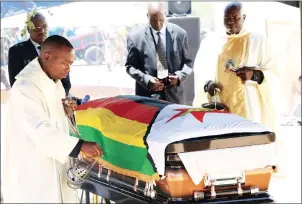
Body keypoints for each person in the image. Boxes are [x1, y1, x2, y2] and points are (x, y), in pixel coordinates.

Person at [2, 35, 103, 203]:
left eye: (70, 64)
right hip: (35, 168)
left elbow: (59, 124)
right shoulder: (25, 87)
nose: (68, 69)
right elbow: (39, 129)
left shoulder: (55, 83)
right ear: (47, 56)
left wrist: (69, 114)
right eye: (65, 63)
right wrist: (79, 146)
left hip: (56, 164)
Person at [193, 2, 279, 131]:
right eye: (227, 18)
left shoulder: (258, 41)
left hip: (250, 107)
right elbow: (200, 72)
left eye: (235, 18)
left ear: (243, 17)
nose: (231, 22)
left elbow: (274, 72)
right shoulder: (211, 42)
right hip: (220, 105)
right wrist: (207, 85)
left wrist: (253, 75)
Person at [125, 2, 193, 104]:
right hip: (148, 100)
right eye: (153, 20)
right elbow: (130, 66)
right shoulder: (135, 38)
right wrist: (147, 80)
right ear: (147, 16)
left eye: (161, 20)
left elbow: (188, 63)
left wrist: (179, 77)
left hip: (175, 99)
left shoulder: (180, 34)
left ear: (165, 14)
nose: (157, 24)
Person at [8, 12, 72, 96]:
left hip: (57, 100)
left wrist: (59, 98)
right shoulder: (16, 51)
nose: (42, 31)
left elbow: (66, 82)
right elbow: (16, 84)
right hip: (32, 103)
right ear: (28, 29)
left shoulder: (58, 48)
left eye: (44, 26)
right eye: (37, 28)